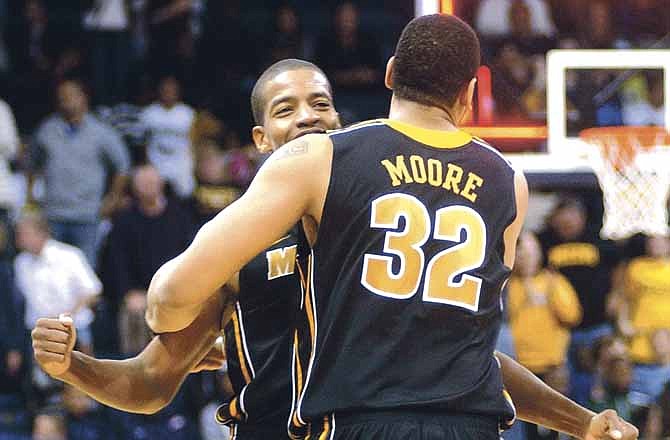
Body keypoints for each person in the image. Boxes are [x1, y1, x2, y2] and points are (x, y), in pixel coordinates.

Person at [33, 59, 636, 440]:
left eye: (320, 103)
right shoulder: (230, 251)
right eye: (286, 109)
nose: (307, 117)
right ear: (262, 140)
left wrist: (580, 421)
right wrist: (74, 367)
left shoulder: (380, 220)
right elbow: (150, 380)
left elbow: (467, 358)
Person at [28, 79, 131, 265]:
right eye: (62, 97)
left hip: (88, 215)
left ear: (84, 98)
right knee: (53, 269)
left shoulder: (101, 132)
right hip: (53, 213)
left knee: (85, 271)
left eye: (71, 95)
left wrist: (113, 198)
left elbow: (122, 166)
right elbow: (31, 163)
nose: (66, 100)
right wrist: (31, 197)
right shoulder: (47, 130)